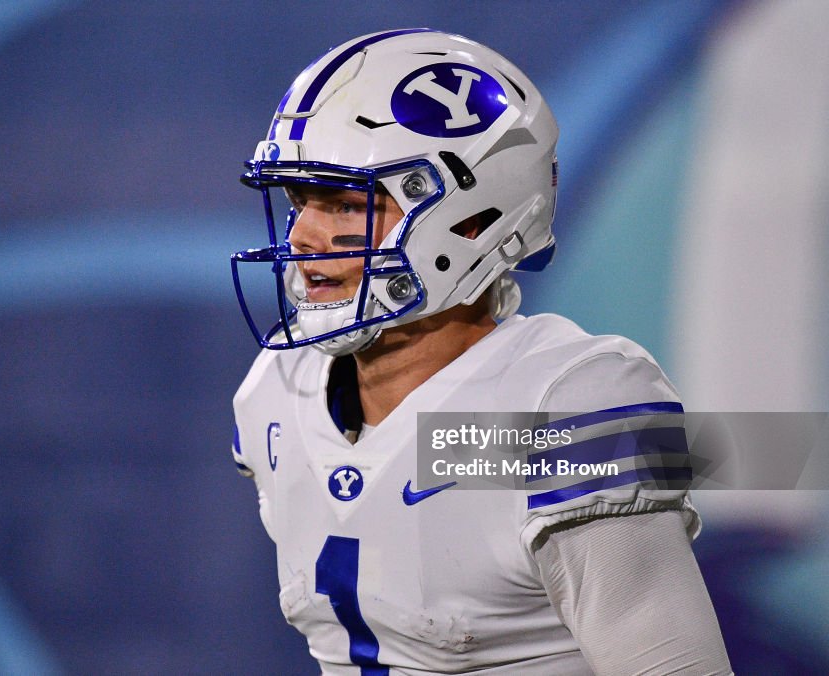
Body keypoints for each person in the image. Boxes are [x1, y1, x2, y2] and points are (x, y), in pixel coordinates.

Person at [229, 29, 732, 675]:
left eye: (345, 202)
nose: (302, 236)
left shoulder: (564, 404)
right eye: (299, 201)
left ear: (472, 217)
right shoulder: (280, 385)